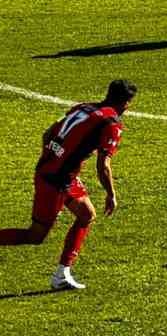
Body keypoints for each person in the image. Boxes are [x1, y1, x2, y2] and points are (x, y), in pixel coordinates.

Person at [0, 79, 138, 293]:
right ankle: (61, 274)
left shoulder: (84, 107)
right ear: (127, 103)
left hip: (57, 172)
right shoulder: (111, 124)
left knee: (86, 214)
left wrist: (55, 157)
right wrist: (111, 193)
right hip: (56, 180)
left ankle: (62, 274)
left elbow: (47, 134)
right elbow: (103, 166)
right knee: (35, 236)